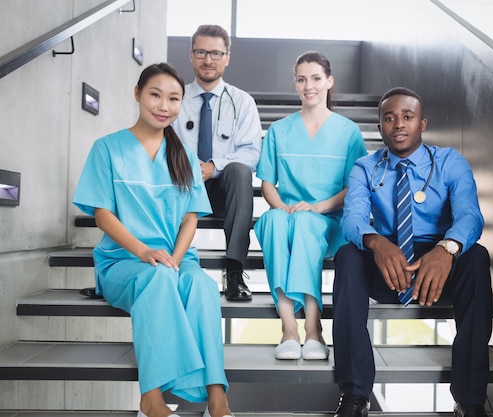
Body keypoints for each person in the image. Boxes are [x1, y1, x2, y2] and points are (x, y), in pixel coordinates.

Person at [73, 63, 234, 417]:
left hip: (176, 259)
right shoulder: (108, 149)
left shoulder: (184, 156)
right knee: (158, 278)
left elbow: (191, 217)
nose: (164, 106)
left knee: (202, 288)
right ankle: (152, 397)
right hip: (123, 261)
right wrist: (145, 252)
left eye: (174, 98)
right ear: (138, 94)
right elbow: (103, 215)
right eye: (155, 95)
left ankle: (217, 399)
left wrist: (176, 258)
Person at [332, 87, 493, 417]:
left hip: (438, 264)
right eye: (389, 118)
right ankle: (354, 395)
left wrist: (446, 249)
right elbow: (353, 218)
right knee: (348, 256)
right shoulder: (366, 167)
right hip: (388, 262)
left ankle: (470, 399)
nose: (398, 124)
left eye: (407, 117)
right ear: (379, 128)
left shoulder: (450, 162)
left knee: (476, 257)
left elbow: (470, 215)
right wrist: (376, 242)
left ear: (422, 124)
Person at [254, 51, 367, 360]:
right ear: (296, 84)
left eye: (316, 78)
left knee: (305, 223)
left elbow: (355, 186)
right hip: (288, 216)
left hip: (328, 222)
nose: (309, 86)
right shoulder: (278, 130)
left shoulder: (348, 132)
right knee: (274, 221)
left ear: (329, 81)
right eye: (302, 79)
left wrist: (317, 208)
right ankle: (289, 329)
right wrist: (282, 208)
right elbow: (267, 183)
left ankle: (314, 330)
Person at [172, 24, 262, 302]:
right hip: (182, 188)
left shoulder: (242, 101)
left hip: (224, 191)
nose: (207, 59)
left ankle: (234, 273)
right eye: (201, 52)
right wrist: (186, 166)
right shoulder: (175, 98)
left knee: (239, 170)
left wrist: (214, 166)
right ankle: (166, 265)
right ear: (191, 54)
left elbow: (251, 154)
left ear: (227, 57)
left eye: (215, 53)